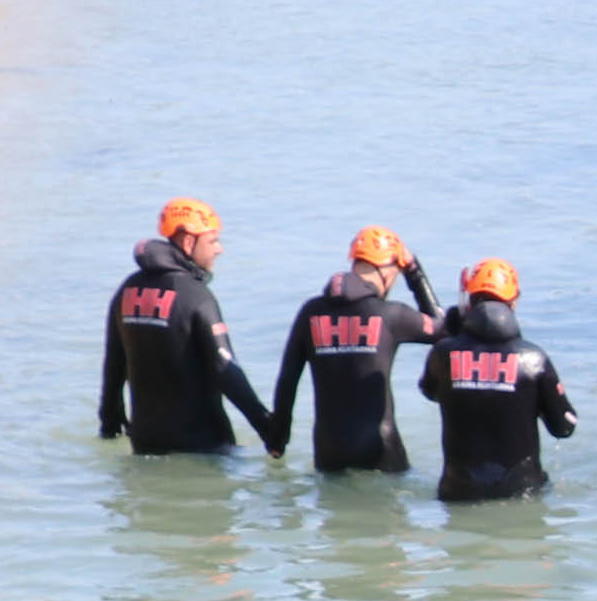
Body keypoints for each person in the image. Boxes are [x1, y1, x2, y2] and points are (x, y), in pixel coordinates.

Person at [99, 197, 282, 456]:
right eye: (212, 241)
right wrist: (268, 429)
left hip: (145, 444)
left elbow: (114, 363)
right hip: (203, 446)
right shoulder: (196, 296)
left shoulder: (127, 290)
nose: (219, 250)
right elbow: (225, 370)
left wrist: (109, 422)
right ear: (188, 242)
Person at [268, 228, 442, 477]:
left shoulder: (310, 312)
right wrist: (414, 273)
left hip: (329, 451)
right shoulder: (391, 315)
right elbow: (444, 330)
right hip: (381, 450)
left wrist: (278, 439)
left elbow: (287, 380)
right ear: (389, 269)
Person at [419, 257, 579, 503]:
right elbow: (565, 427)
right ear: (513, 303)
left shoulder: (442, 354)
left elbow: (429, 391)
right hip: (522, 494)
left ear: (468, 302)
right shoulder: (533, 359)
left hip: (459, 493)